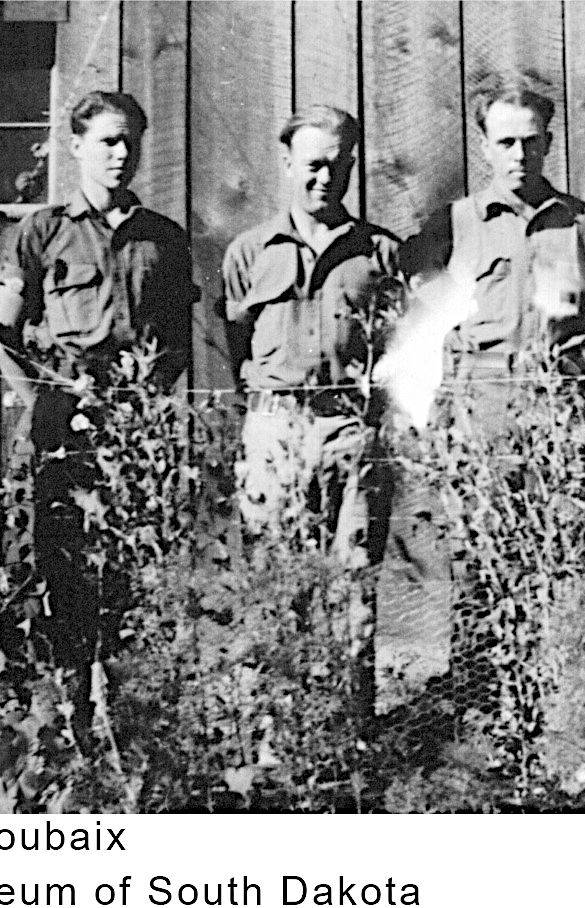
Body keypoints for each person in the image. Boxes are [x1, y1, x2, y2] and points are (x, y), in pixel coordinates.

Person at [0, 91, 199, 734]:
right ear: (76, 145)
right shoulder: (42, 231)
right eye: (107, 140)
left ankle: (126, 719)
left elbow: (178, 343)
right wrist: (47, 405)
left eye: (130, 140)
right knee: (65, 571)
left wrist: (146, 405)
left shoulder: (162, 237)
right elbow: (3, 333)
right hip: (62, 430)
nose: (120, 153)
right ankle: (71, 715)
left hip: (135, 431)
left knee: (131, 570)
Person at [222, 105, 402, 726]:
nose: (327, 178)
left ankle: (351, 732)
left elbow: (401, 348)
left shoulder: (378, 252)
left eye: (340, 165)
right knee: (275, 581)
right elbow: (234, 347)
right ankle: (275, 737)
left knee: (355, 583)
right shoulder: (249, 251)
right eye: (314, 165)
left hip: (350, 432)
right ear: (286, 163)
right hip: (274, 426)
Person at [400, 83, 585, 430]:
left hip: (558, 405)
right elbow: (413, 301)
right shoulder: (454, 224)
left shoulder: (582, 224)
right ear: (485, 148)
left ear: (546, 144)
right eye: (506, 143)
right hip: (480, 409)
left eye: (530, 142)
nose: (520, 155)